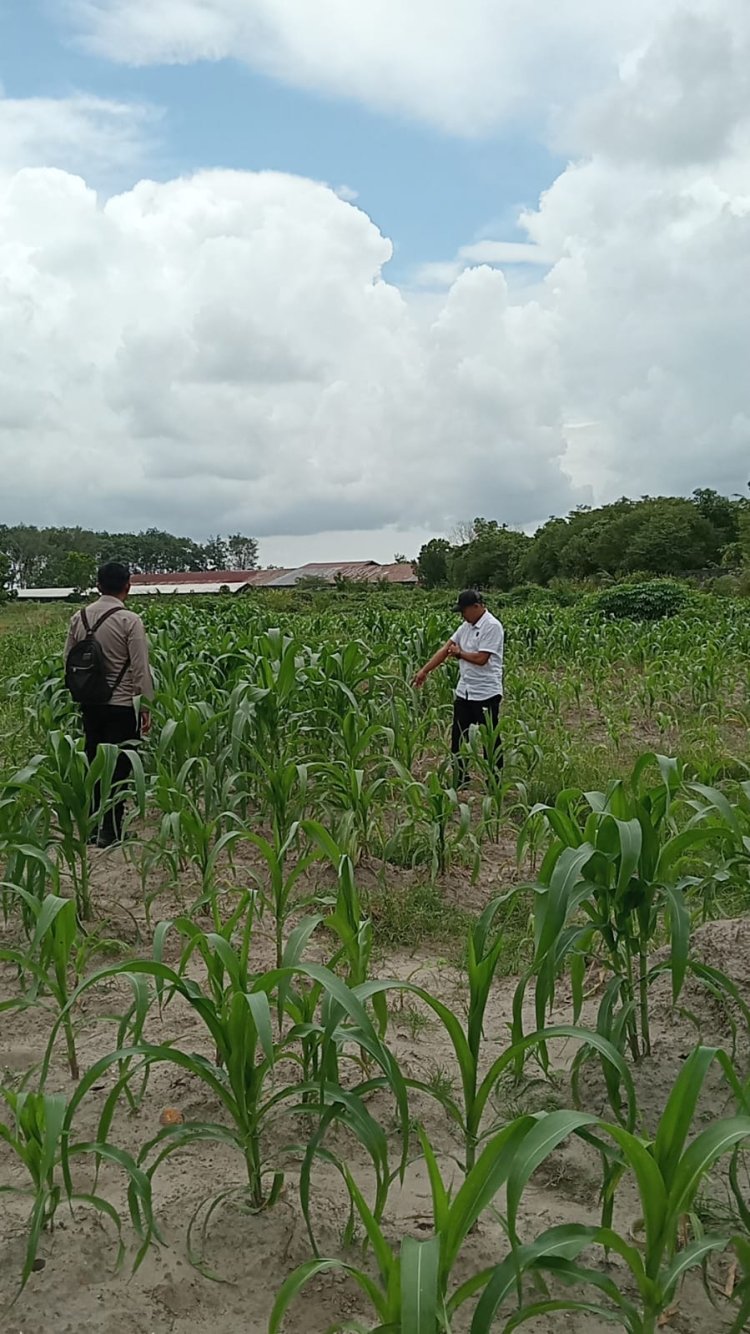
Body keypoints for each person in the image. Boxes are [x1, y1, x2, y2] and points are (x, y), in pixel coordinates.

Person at [64, 561, 153, 847]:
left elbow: (68, 661)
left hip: (90, 703)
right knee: (120, 768)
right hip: (123, 704)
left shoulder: (79, 618)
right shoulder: (130, 620)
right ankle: (110, 831)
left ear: (98, 585)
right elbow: (140, 668)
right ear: (128, 586)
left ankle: (90, 827)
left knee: (94, 763)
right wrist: (146, 706)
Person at [412, 589, 504, 785]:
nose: (462, 614)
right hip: (465, 691)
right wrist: (424, 671)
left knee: (490, 739)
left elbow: (481, 659)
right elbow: (446, 649)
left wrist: (459, 654)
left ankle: (494, 780)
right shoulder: (466, 627)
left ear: (476, 607)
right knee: (458, 738)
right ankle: (461, 778)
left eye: (464, 610)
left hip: (486, 692)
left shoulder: (492, 626)